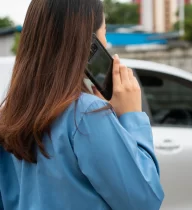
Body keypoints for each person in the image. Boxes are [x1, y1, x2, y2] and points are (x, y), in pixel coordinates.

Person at [0, 0, 164, 209]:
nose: (108, 44)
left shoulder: (9, 117)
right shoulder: (87, 114)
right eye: (104, 32)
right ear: (88, 44)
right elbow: (145, 201)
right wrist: (132, 115)